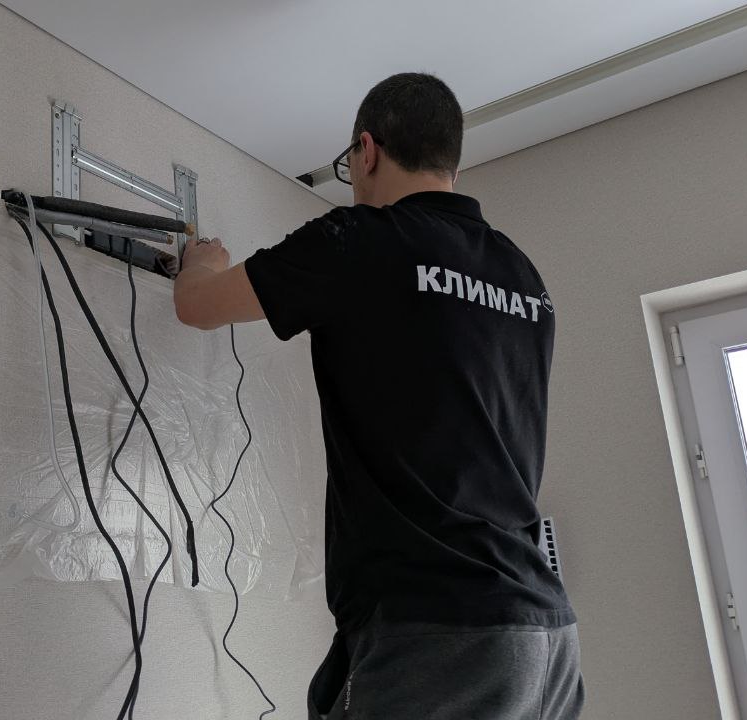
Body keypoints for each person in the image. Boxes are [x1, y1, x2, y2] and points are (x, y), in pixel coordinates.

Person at [173, 72, 584, 720]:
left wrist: (201, 263)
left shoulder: (359, 241)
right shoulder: (522, 278)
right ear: (451, 164)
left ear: (366, 150)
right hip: (546, 634)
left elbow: (197, 307)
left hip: (438, 632)